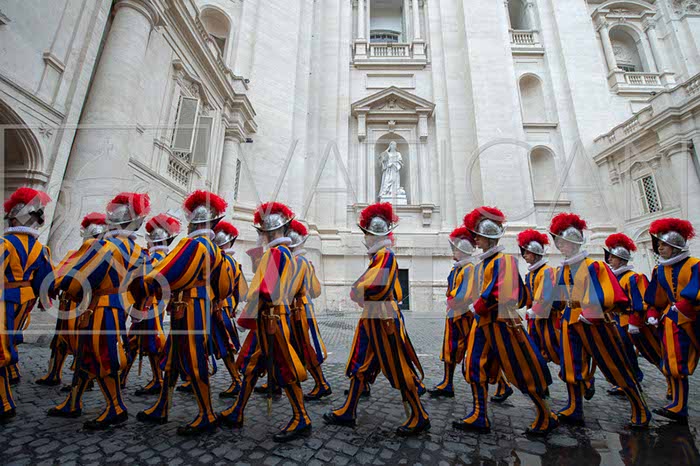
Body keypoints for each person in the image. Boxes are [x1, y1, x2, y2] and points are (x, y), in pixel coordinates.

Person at [324, 202, 430, 436]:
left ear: (374, 235)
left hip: (383, 321)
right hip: (373, 318)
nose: (365, 238)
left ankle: (420, 415)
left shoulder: (385, 256)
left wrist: (357, 292)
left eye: (367, 234)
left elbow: (375, 287)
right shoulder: (379, 257)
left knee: (398, 367)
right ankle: (349, 410)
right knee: (360, 364)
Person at [48, 192, 149, 430]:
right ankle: (73, 401)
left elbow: (82, 276)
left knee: (102, 355)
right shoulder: (137, 250)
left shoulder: (106, 246)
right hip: (118, 306)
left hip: (99, 307)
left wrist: (62, 286)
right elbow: (142, 285)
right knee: (87, 354)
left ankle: (116, 407)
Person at [136, 190, 229, 436]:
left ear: (195, 223)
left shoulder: (195, 244)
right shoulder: (214, 248)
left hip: (189, 307)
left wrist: (147, 283)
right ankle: (162, 405)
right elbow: (223, 286)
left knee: (194, 359)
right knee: (172, 357)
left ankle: (207, 413)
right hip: (195, 305)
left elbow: (171, 270)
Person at [458, 207, 556, 436]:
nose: (475, 239)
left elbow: (502, 293)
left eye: (479, 236)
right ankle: (479, 414)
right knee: (474, 365)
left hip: (503, 322)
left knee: (522, 367)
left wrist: (477, 306)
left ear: (489, 238)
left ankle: (546, 414)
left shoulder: (505, 261)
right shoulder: (482, 264)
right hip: (483, 323)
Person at [220, 202, 312, 443]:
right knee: (252, 367)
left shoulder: (276, 253)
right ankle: (238, 410)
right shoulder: (282, 252)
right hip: (268, 319)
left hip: (272, 319)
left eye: (262, 232)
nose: (261, 235)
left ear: (269, 233)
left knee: (285, 368)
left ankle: (302, 417)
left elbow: (267, 290)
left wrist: (249, 309)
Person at [550, 213, 650, 429]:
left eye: (563, 242)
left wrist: (590, 312)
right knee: (571, 367)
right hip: (570, 323)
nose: (560, 246)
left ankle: (640, 408)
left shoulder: (595, 265)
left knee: (615, 364)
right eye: (559, 242)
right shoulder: (563, 269)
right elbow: (560, 299)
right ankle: (574, 408)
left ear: (574, 243)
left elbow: (610, 295)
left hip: (594, 323)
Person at [1, 187, 54, 422]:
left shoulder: (5, 243)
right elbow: (46, 280)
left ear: (14, 218)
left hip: (5, 297)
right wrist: (44, 300)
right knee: (12, 336)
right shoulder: (42, 249)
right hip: (27, 299)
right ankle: (13, 370)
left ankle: (4, 402)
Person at [36, 213, 106, 388]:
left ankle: (84, 379)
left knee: (80, 342)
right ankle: (54, 373)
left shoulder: (102, 258)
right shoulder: (73, 254)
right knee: (60, 340)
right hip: (66, 303)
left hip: (84, 306)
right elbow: (59, 274)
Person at [645, 218, 699, 425]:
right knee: (672, 364)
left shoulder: (695, 265)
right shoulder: (660, 270)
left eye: (664, 244)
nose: (659, 248)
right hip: (670, 321)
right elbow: (657, 297)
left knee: (679, 364)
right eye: (659, 244)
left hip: (691, 319)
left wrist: (687, 304)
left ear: (676, 246)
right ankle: (678, 404)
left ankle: (679, 405)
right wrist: (652, 312)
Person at [122, 213, 181, 396]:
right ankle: (123, 376)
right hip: (149, 304)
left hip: (150, 305)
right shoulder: (164, 256)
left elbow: (145, 282)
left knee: (151, 341)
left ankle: (158, 379)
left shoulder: (155, 258)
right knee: (134, 340)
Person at [429, 226, 477, 398]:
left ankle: (502, 384)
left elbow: (465, 293)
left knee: (474, 350)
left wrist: (452, 299)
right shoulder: (456, 268)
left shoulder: (469, 268)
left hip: (464, 315)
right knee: (449, 348)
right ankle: (447, 383)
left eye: (456, 249)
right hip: (454, 314)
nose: (453, 252)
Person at [287, 220, 332, 401]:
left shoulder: (298, 262)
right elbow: (315, 290)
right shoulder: (306, 262)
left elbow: (291, 290)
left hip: (299, 309)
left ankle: (321, 383)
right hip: (302, 307)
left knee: (305, 346)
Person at [211, 220, 248, 399]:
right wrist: (233, 307)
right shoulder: (235, 263)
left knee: (225, 346)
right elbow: (238, 292)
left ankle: (236, 380)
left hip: (215, 308)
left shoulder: (218, 261)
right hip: (225, 307)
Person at [518, 229, 559, 374]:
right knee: (535, 351)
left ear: (535, 254)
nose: (524, 255)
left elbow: (548, 295)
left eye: (527, 253)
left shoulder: (548, 271)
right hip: (533, 320)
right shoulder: (529, 274)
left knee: (555, 349)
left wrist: (535, 310)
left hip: (548, 320)